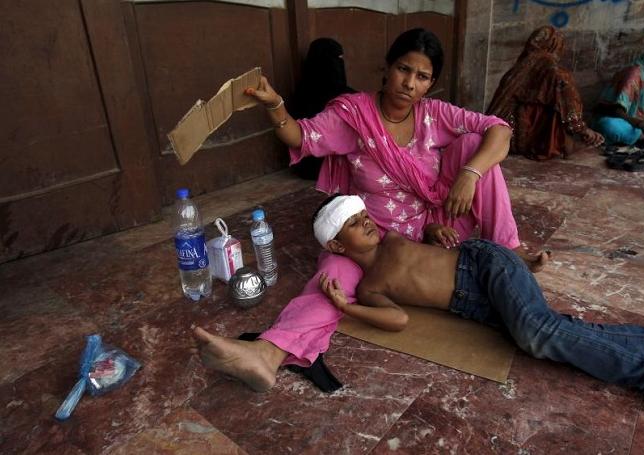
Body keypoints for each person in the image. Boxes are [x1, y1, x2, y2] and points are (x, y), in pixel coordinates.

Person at [194, 195, 644, 435]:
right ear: (336, 245)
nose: (368, 224)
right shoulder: (377, 282)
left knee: (535, 334)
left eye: (366, 216)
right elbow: (399, 322)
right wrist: (349, 307)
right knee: (557, 333)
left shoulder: (398, 243)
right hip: (477, 303)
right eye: (354, 224)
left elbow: (449, 244)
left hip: (484, 267)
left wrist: (500, 251)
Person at [192, 28, 550, 379]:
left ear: (430, 83)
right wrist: (274, 104)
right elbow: (299, 135)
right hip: (371, 239)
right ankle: (267, 353)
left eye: (422, 77)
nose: (410, 83)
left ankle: (508, 249)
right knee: (331, 282)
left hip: (433, 224)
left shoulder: (433, 114)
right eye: (403, 69)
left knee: (475, 145)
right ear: (387, 68)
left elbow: (500, 129)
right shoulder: (355, 116)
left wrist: (469, 174)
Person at [487, 26, 604, 160]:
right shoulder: (555, 71)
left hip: (501, 135)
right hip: (530, 141)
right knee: (560, 106)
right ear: (556, 45)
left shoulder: (519, 69)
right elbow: (570, 108)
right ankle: (556, 144)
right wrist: (583, 130)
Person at [289, 38, 357, 179]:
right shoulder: (349, 97)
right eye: (336, 59)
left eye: (340, 59)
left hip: (305, 169)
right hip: (328, 169)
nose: (339, 63)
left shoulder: (298, 95)